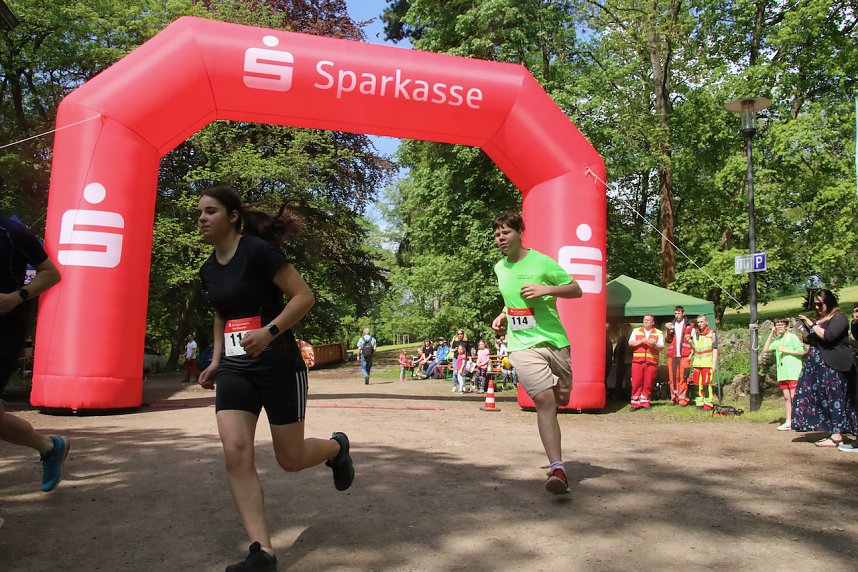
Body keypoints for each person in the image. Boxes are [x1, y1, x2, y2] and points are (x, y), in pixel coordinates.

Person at [196, 186, 354, 572]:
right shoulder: (208, 269)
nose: (201, 218)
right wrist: (217, 360)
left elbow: (304, 296)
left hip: (278, 363)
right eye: (199, 212)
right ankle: (263, 551)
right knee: (235, 452)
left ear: (233, 216)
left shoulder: (257, 251)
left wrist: (269, 331)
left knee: (291, 458)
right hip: (236, 368)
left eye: (211, 211)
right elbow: (222, 314)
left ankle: (336, 448)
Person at [490, 211, 583, 495]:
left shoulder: (542, 262)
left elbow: (576, 289)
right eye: (496, 235)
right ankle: (557, 468)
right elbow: (512, 300)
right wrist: (503, 314)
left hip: (554, 340)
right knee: (544, 401)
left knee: (560, 399)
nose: (500, 238)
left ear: (520, 232)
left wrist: (546, 289)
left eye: (505, 232)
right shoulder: (499, 268)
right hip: (521, 343)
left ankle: (555, 407)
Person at [0, 215, 68, 492]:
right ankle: (49, 447)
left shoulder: (12, 231)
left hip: (5, 330)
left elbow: (52, 273)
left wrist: (17, 297)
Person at [791, 290, 858, 449]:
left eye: (820, 304)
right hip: (818, 369)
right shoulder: (820, 318)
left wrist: (813, 325)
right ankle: (832, 431)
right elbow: (810, 339)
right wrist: (804, 329)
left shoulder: (839, 317)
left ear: (829, 302)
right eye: (815, 304)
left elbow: (829, 336)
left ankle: (837, 437)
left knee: (836, 399)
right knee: (823, 400)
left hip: (835, 366)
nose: (817, 307)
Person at [763, 318, 806, 430]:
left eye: (782, 324)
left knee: (794, 396)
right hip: (783, 373)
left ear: (786, 326)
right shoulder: (777, 339)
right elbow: (766, 349)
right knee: (787, 397)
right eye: (777, 325)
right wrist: (771, 333)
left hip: (793, 371)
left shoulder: (792, 337)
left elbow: (802, 351)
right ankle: (789, 421)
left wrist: (786, 351)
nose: (779, 326)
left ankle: (800, 420)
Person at [628, 314, 664, 411]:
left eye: (648, 320)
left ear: (653, 322)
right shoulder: (636, 331)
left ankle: (645, 402)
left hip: (651, 362)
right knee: (636, 382)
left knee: (648, 383)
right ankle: (635, 404)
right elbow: (631, 343)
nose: (646, 321)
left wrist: (654, 344)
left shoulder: (658, 333)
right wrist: (641, 341)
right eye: (645, 320)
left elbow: (661, 347)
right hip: (637, 361)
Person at [664, 306, 694, 406]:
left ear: (683, 313)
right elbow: (667, 340)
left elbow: (693, 342)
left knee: (683, 378)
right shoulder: (671, 325)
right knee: (672, 378)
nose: (677, 315)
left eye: (679, 313)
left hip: (684, 355)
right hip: (672, 356)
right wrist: (667, 330)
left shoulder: (689, 325)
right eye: (676, 313)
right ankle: (673, 398)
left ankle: (682, 399)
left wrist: (691, 354)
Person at [688, 314, 718, 410]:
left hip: (707, 364)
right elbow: (694, 349)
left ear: (706, 322)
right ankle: (699, 403)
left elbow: (715, 349)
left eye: (702, 321)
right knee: (697, 384)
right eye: (699, 322)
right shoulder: (695, 334)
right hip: (697, 364)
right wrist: (690, 343)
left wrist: (714, 364)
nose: (700, 324)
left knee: (706, 384)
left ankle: (708, 404)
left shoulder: (712, 334)